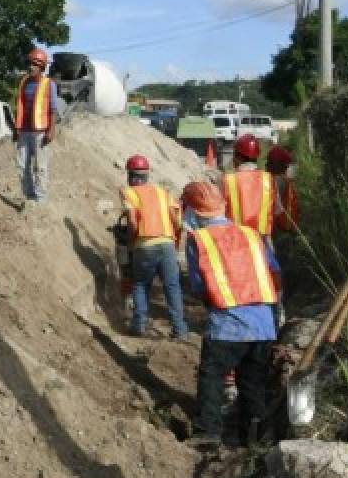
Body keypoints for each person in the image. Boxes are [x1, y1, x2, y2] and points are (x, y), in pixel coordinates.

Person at [183, 181, 282, 449]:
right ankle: (253, 438)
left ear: (193, 212)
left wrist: (214, 302)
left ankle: (208, 432)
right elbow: (274, 271)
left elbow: (198, 285)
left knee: (212, 375)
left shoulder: (198, 240)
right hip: (263, 325)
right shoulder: (252, 235)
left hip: (227, 324)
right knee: (253, 383)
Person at [119, 154, 187, 339]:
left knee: (140, 284)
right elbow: (176, 220)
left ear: (131, 176)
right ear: (147, 175)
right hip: (167, 244)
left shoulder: (129, 192)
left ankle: (139, 325)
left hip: (145, 245)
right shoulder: (162, 192)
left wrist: (131, 241)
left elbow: (132, 221)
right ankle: (180, 330)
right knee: (172, 286)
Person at [15, 47, 58, 203]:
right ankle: (29, 196)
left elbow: (53, 109)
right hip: (24, 130)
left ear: (42, 68)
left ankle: (41, 199)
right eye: (30, 63)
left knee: (40, 166)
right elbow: (19, 105)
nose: (31, 67)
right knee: (21, 165)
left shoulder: (49, 84)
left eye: (35, 64)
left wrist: (51, 130)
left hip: (40, 132)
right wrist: (17, 128)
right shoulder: (24, 82)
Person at [219, 134, 279, 240]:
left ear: (237, 157)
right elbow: (277, 210)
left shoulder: (228, 180)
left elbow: (219, 214)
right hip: (262, 241)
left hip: (236, 240)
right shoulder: (269, 179)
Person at [266, 145, 299, 236]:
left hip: (278, 229)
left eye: (269, 162)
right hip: (286, 228)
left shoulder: (276, 181)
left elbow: (273, 210)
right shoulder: (283, 180)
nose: (266, 165)